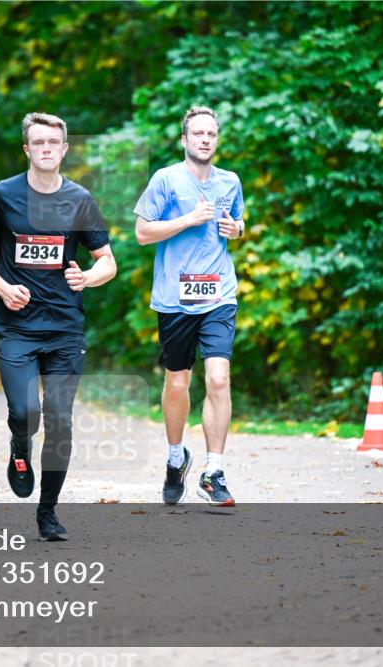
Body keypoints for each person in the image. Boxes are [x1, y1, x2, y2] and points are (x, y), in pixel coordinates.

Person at [0, 112, 117, 541]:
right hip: (18, 328)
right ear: (27, 149)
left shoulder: (80, 199)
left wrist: (87, 277)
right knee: (25, 413)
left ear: (64, 149)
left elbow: (107, 260)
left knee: (61, 420)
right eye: (39, 142)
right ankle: (19, 444)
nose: (47, 148)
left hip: (66, 329)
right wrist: (2, 287)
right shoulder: (2, 196)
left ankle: (47, 512)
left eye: (54, 142)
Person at [133, 106, 246, 507]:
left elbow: (237, 223)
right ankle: (175, 457)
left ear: (216, 140)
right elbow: (143, 232)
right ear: (184, 140)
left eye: (211, 134)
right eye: (197, 133)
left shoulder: (230, 181)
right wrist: (187, 219)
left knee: (218, 378)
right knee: (177, 382)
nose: (204, 139)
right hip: (175, 298)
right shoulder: (165, 179)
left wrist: (236, 228)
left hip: (219, 295)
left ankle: (213, 472)